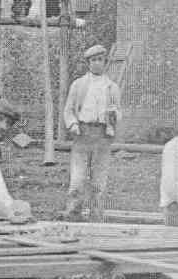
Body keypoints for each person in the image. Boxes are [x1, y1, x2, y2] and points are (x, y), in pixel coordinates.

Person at [63, 45, 122, 222]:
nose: (97, 64)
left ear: (105, 63)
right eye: (93, 60)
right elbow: (69, 110)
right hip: (83, 133)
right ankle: (73, 213)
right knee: (78, 178)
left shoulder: (112, 87)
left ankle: (96, 216)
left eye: (100, 60)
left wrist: (114, 115)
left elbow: (119, 112)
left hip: (102, 135)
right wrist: (73, 124)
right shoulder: (79, 84)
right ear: (88, 63)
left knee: (99, 179)